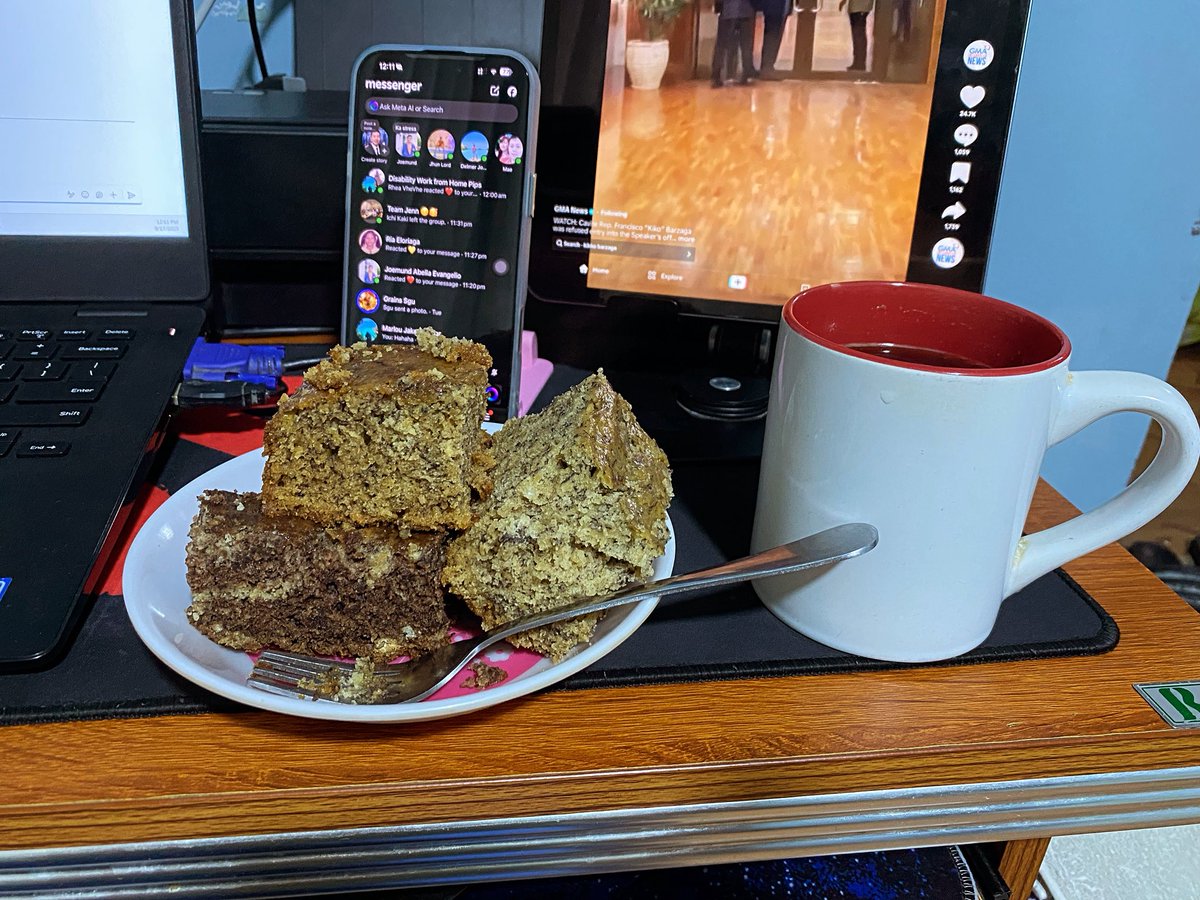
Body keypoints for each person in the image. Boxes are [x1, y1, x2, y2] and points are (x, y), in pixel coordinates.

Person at [712, 0, 756, 87]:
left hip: (727, 10)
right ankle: (746, 74)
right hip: (747, 10)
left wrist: (718, 7)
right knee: (746, 44)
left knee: (721, 44)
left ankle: (716, 75)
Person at [752, 0, 791, 79]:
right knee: (773, 32)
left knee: (775, 32)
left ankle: (768, 67)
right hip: (773, 5)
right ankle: (767, 68)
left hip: (778, 6)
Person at [838, 0, 875, 71]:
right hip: (858, 7)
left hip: (859, 7)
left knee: (858, 35)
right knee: (857, 34)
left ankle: (860, 62)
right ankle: (858, 61)